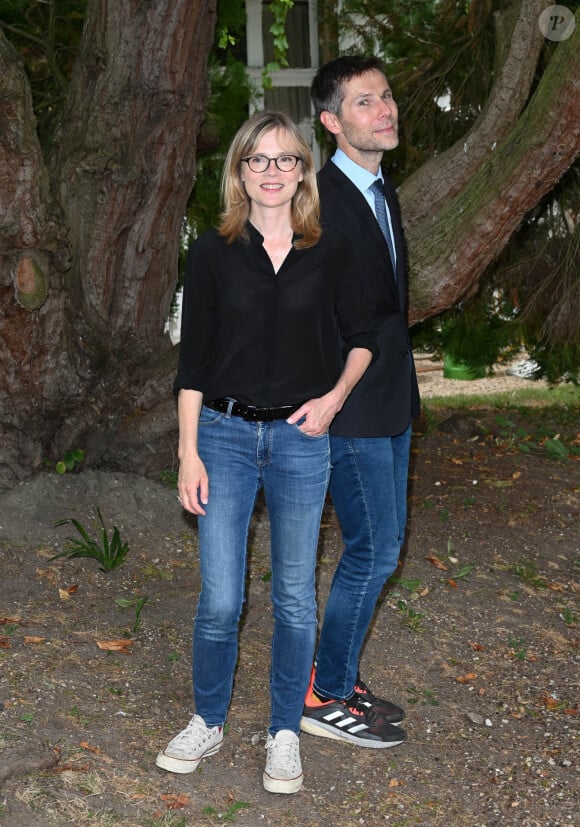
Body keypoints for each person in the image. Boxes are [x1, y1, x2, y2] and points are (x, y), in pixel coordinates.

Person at [155, 110, 376, 793]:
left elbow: (365, 336)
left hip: (302, 441)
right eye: (260, 160)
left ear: (304, 172)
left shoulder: (330, 249)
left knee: (293, 597)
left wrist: (334, 398)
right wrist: (188, 452)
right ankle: (208, 718)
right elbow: (192, 363)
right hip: (221, 435)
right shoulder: (213, 250)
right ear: (240, 172)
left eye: (286, 159)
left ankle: (285, 730)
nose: (273, 171)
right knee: (221, 599)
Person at [298, 56, 420, 748]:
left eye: (387, 95)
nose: (386, 109)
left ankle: (338, 673)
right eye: (366, 101)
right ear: (332, 121)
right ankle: (324, 692)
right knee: (373, 549)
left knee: (382, 546)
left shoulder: (379, 189)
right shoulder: (321, 201)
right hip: (349, 407)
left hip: (390, 401)